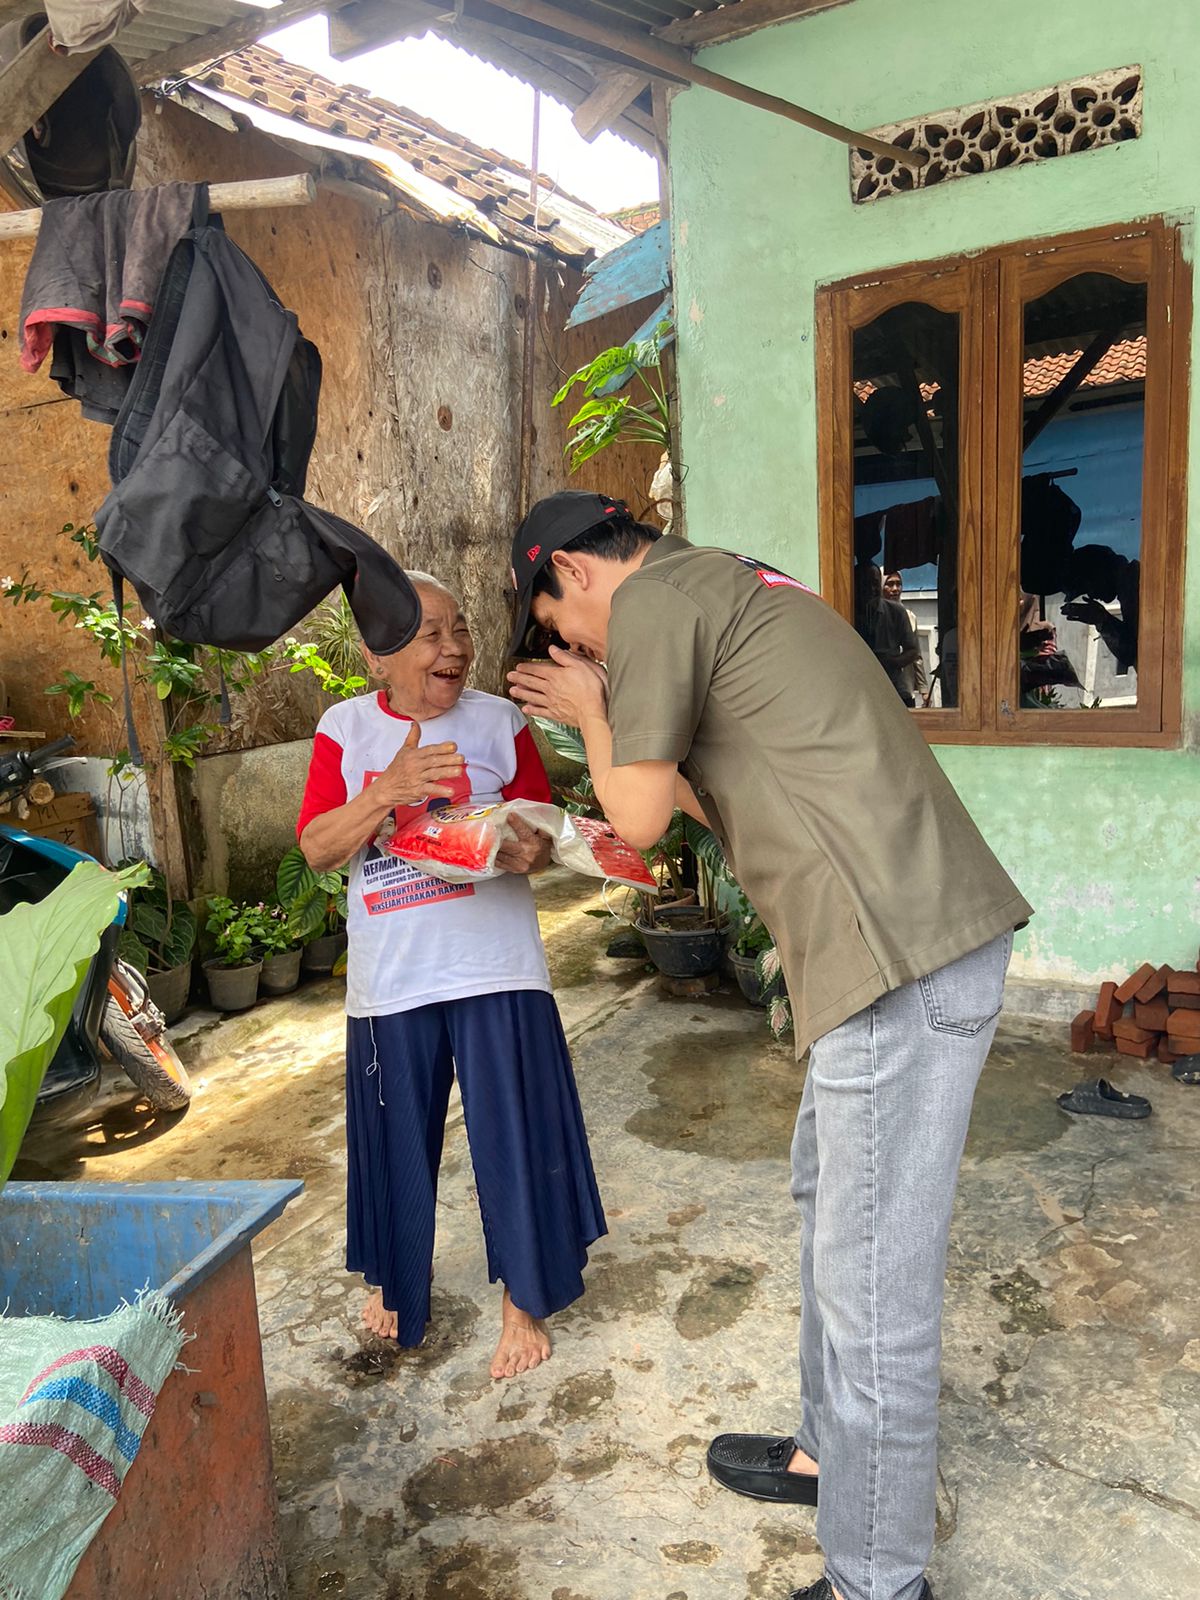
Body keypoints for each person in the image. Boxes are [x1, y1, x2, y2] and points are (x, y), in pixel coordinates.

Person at [507, 493, 1032, 1600]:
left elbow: (641, 813)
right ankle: (827, 1452)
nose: (575, 652)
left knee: (872, 1286)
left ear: (576, 571)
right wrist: (623, 756)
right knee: (824, 1206)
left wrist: (594, 718)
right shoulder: (726, 579)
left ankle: (877, 1580)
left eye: (563, 631)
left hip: (899, 958)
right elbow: (715, 791)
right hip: (888, 954)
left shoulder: (651, 601)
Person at [297, 570, 605, 1380]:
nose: (456, 646)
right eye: (431, 633)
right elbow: (318, 848)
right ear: (376, 655)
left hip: (495, 965)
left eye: (459, 628)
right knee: (397, 1137)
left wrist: (532, 848)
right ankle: (404, 1280)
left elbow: (539, 832)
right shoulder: (345, 728)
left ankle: (524, 1299)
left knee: (514, 1133)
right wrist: (391, 790)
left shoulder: (500, 721)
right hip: (394, 974)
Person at [854, 561, 921, 706]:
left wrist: (890, 662)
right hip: (859, 691)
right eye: (865, 584)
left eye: (875, 583)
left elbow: (913, 651)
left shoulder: (896, 612)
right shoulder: (848, 613)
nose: (872, 589)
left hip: (893, 688)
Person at [882, 570, 928, 703]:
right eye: (890, 584)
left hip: (905, 689)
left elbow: (916, 655)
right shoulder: (875, 617)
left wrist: (923, 689)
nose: (895, 589)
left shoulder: (909, 617)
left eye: (898, 584)